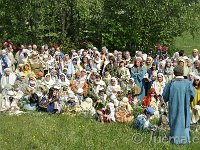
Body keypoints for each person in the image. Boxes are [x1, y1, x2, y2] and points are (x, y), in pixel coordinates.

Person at [163, 65, 195, 144]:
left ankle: (174, 140)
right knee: (184, 121)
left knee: (174, 121)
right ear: (183, 72)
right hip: (184, 106)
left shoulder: (171, 83)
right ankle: (185, 140)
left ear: (174, 73)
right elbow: (192, 95)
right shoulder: (188, 83)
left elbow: (165, 96)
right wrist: (188, 100)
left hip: (174, 107)